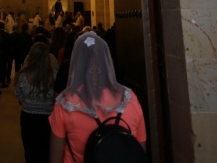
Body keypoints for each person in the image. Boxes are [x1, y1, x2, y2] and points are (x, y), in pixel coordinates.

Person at [48, 32, 147, 163]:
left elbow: (55, 158)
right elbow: (139, 151)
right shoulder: (129, 99)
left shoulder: (66, 104)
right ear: (106, 61)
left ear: (77, 62)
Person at [14, 42, 58, 163]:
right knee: (45, 151)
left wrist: (27, 102)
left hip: (28, 117)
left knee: (30, 151)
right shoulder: (54, 75)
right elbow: (57, 97)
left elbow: (18, 95)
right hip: (48, 118)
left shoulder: (22, 75)